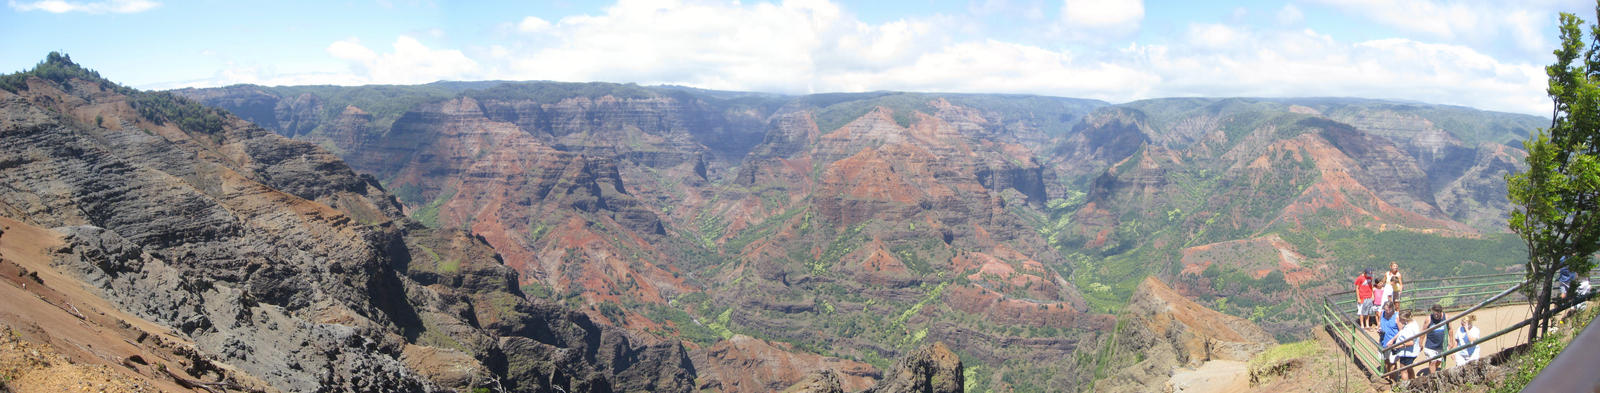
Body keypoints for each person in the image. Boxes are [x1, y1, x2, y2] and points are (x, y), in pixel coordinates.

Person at [1390, 310, 1422, 380]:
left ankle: (1405, 387)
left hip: (1407, 353)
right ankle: (1413, 382)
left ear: (1404, 319)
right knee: (1409, 368)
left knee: (1403, 370)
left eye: (1400, 319)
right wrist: (1392, 340)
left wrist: (1399, 346)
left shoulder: (1409, 328)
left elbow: (1411, 342)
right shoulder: (1412, 322)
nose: (1398, 321)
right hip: (1412, 352)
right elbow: (1402, 330)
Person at [1424, 304, 1449, 372]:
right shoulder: (1429, 319)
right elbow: (1423, 331)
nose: (1436, 316)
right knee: (1433, 362)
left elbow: (1450, 329)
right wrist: (1420, 343)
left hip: (1441, 345)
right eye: (1434, 314)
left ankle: (1433, 371)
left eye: (1437, 314)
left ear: (1441, 312)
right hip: (1431, 345)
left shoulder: (1446, 317)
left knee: (1439, 361)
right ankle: (1433, 378)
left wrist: (1451, 341)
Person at [1379, 302, 1399, 371]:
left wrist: (1393, 340)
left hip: (1393, 344)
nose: (1386, 312)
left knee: (1393, 362)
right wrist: (1379, 330)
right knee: (1385, 360)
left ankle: (1393, 378)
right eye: (1385, 310)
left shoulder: (1397, 317)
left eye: (1387, 310)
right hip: (1383, 341)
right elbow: (1380, 324)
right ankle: (1388, 374)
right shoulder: (1383, 314)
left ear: (1392, 309)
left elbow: (1401, 331)